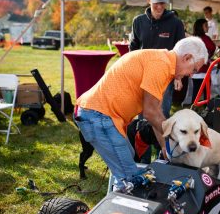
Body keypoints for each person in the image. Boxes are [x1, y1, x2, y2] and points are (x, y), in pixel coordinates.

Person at [75, 37, 208, 192]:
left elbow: (155, 112)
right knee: (131, 179)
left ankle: (120, 191)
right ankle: (121, 207)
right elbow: (150, 112)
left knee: (130, 157)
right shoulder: (161, 65)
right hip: (98, 116)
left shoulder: (163, 62)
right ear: (187, 58)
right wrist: (178, 137)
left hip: (101, 115)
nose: (191, 75)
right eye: (194, 69)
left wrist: (165, 146)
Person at [129, 0, 185, 163]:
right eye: (156, 3)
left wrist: (178, 77)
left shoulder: (175, 23)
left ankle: (162, 158)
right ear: (148, 1)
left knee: (162, 117)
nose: (159, 7)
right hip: (143, 78)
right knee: (144, 118)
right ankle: (142, 159)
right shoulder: (138, 22)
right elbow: (133, 49)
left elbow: (180, 53)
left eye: (162, 3)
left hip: (164, 79)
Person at [191, 19, 216, 102]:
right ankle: (204, 108)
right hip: (202, 70)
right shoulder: (203, 38)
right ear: (200, 27)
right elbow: (212, 48)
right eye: (205, 25)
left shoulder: (194, 38)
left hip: (198, 69)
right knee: (203, 91)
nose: (207, 27)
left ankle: (195, 108)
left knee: (198, 91)